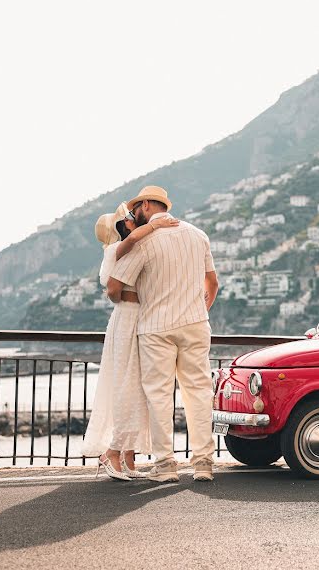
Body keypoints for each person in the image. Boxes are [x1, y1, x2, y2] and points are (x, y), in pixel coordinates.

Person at [107, 186, 219, 482]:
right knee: (198, 392)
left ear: (145, 205)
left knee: (159, 395)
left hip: (156, 326)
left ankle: (166, 465)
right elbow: (213, 283)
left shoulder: (145, 241)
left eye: (136, 210)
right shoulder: (198, 235)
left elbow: (114, 286)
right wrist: (199, 308)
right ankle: (204, 463)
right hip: (196, 323)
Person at [82, 203, 179, 480]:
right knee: (129, 383)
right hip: (128, 318)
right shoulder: (117, 249)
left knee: (137, 385)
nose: (131, 220)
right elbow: (114, 291)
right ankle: (112, 452)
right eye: (127, 219)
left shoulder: (129, 251)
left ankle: (128, 456)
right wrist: (155, 225)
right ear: (120, 227)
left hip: (138, 316)